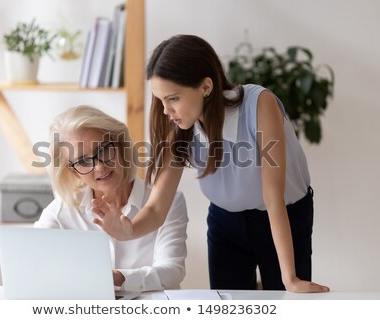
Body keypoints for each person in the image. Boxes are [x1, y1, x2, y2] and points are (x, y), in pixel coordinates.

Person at [92, 34, 330, 293]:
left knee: (287, 303)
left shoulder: (259, 104)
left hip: (283, 215)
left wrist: (290, 278)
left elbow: (273, 197)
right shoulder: (180, 127)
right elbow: (158, 207)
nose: (165, 110)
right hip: (225, 222)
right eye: (160, 100)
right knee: (225, 306)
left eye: (173, 98)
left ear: (206, 87)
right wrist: (127, 230)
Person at [34, 105, 188, 292]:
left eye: (104, 150)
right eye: (83, 161)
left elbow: (172, 272)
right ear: (74, 172)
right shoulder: (60, 213)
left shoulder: (169, 202)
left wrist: (122, 278)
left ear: (120, 145)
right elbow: (33, 268)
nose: (99, 167)